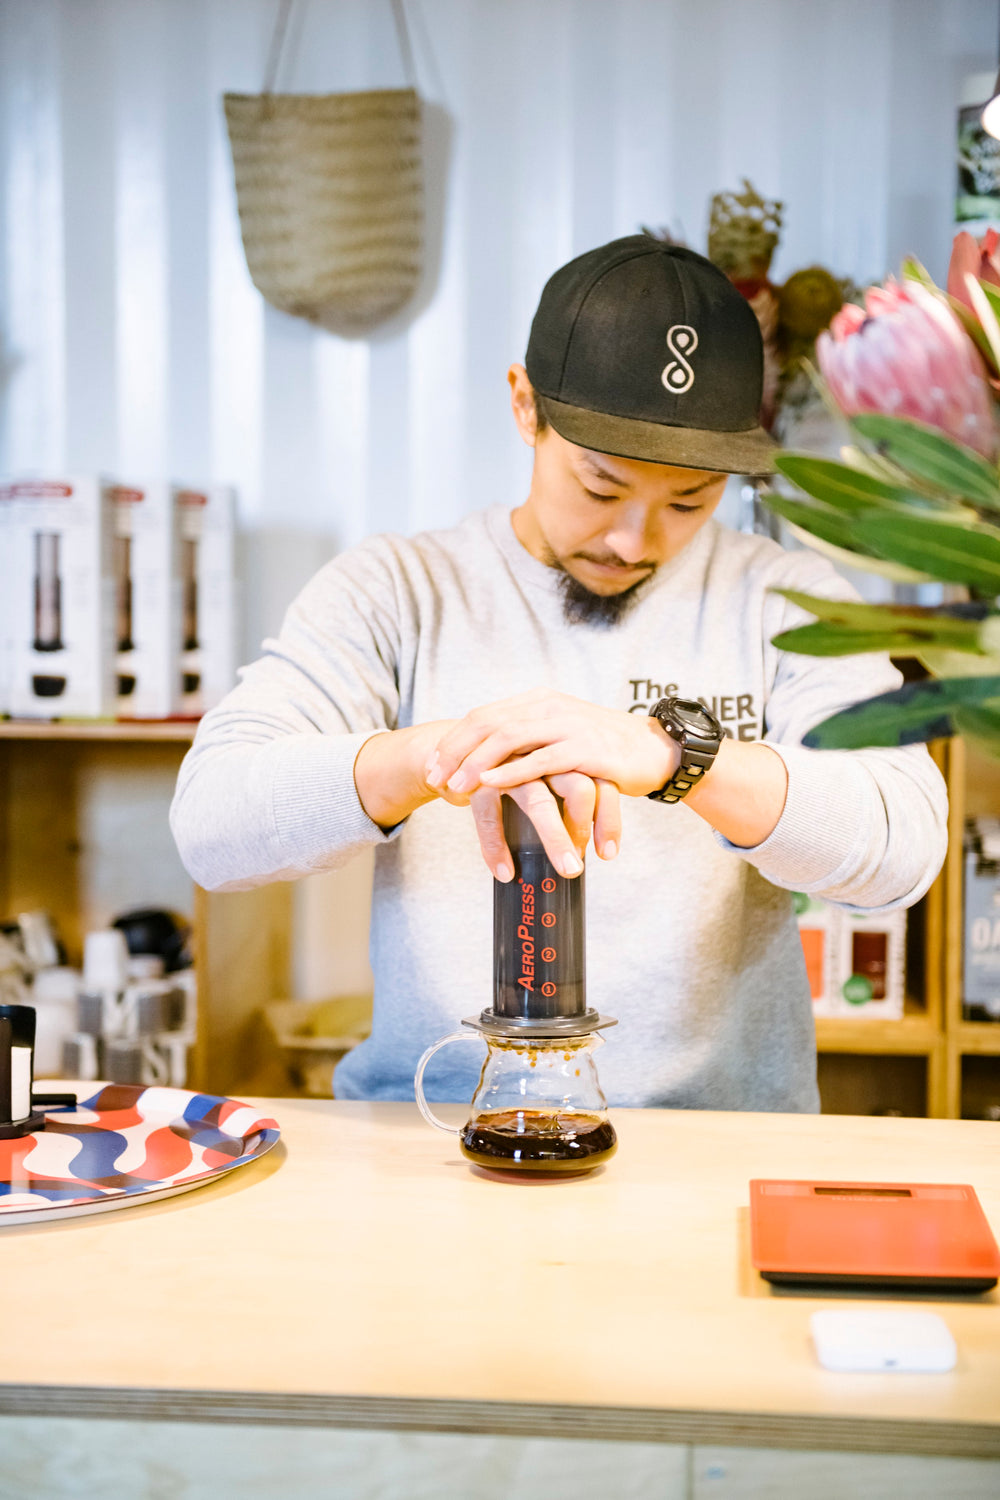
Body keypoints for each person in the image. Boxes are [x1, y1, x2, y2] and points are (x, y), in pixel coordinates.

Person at [170, 236, 948, 1112]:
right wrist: (450, 753)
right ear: (526, 407)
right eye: (602, 486)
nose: (633, 541)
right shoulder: (398, 589)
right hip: (429, 1134)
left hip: (716, 1145)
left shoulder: (782, 596)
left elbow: (904, 847)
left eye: (689, 502)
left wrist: (674, 759)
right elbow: (210, 828)